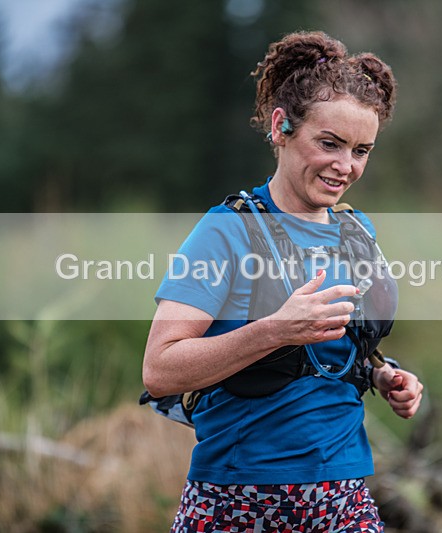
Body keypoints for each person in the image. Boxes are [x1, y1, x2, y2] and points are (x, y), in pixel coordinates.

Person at [142, 30, 423, 532]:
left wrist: (383, 374)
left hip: (344, 496)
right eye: (330, 143)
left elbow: (337, 352)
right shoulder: (226, 231)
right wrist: (276, 329)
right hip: (236, 498)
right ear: (281, 127)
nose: (346, 166)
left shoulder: (357, 232)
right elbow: (160, 370)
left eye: (362, 150)